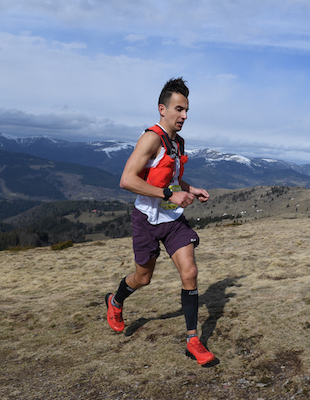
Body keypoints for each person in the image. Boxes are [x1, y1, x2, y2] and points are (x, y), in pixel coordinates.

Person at [105, 77, 215, 366]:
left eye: (187, 110)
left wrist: (190, 189)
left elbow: (173, 179)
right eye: (179, 109)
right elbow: (126, 180)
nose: (185, 116)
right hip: (146, 218)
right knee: (143, 278)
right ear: (162, 109)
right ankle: (115, 301)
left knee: (189, 272)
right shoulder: (151, 138)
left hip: (172, 218)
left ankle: (193, 340)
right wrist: (169, 193)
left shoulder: (177, 142)